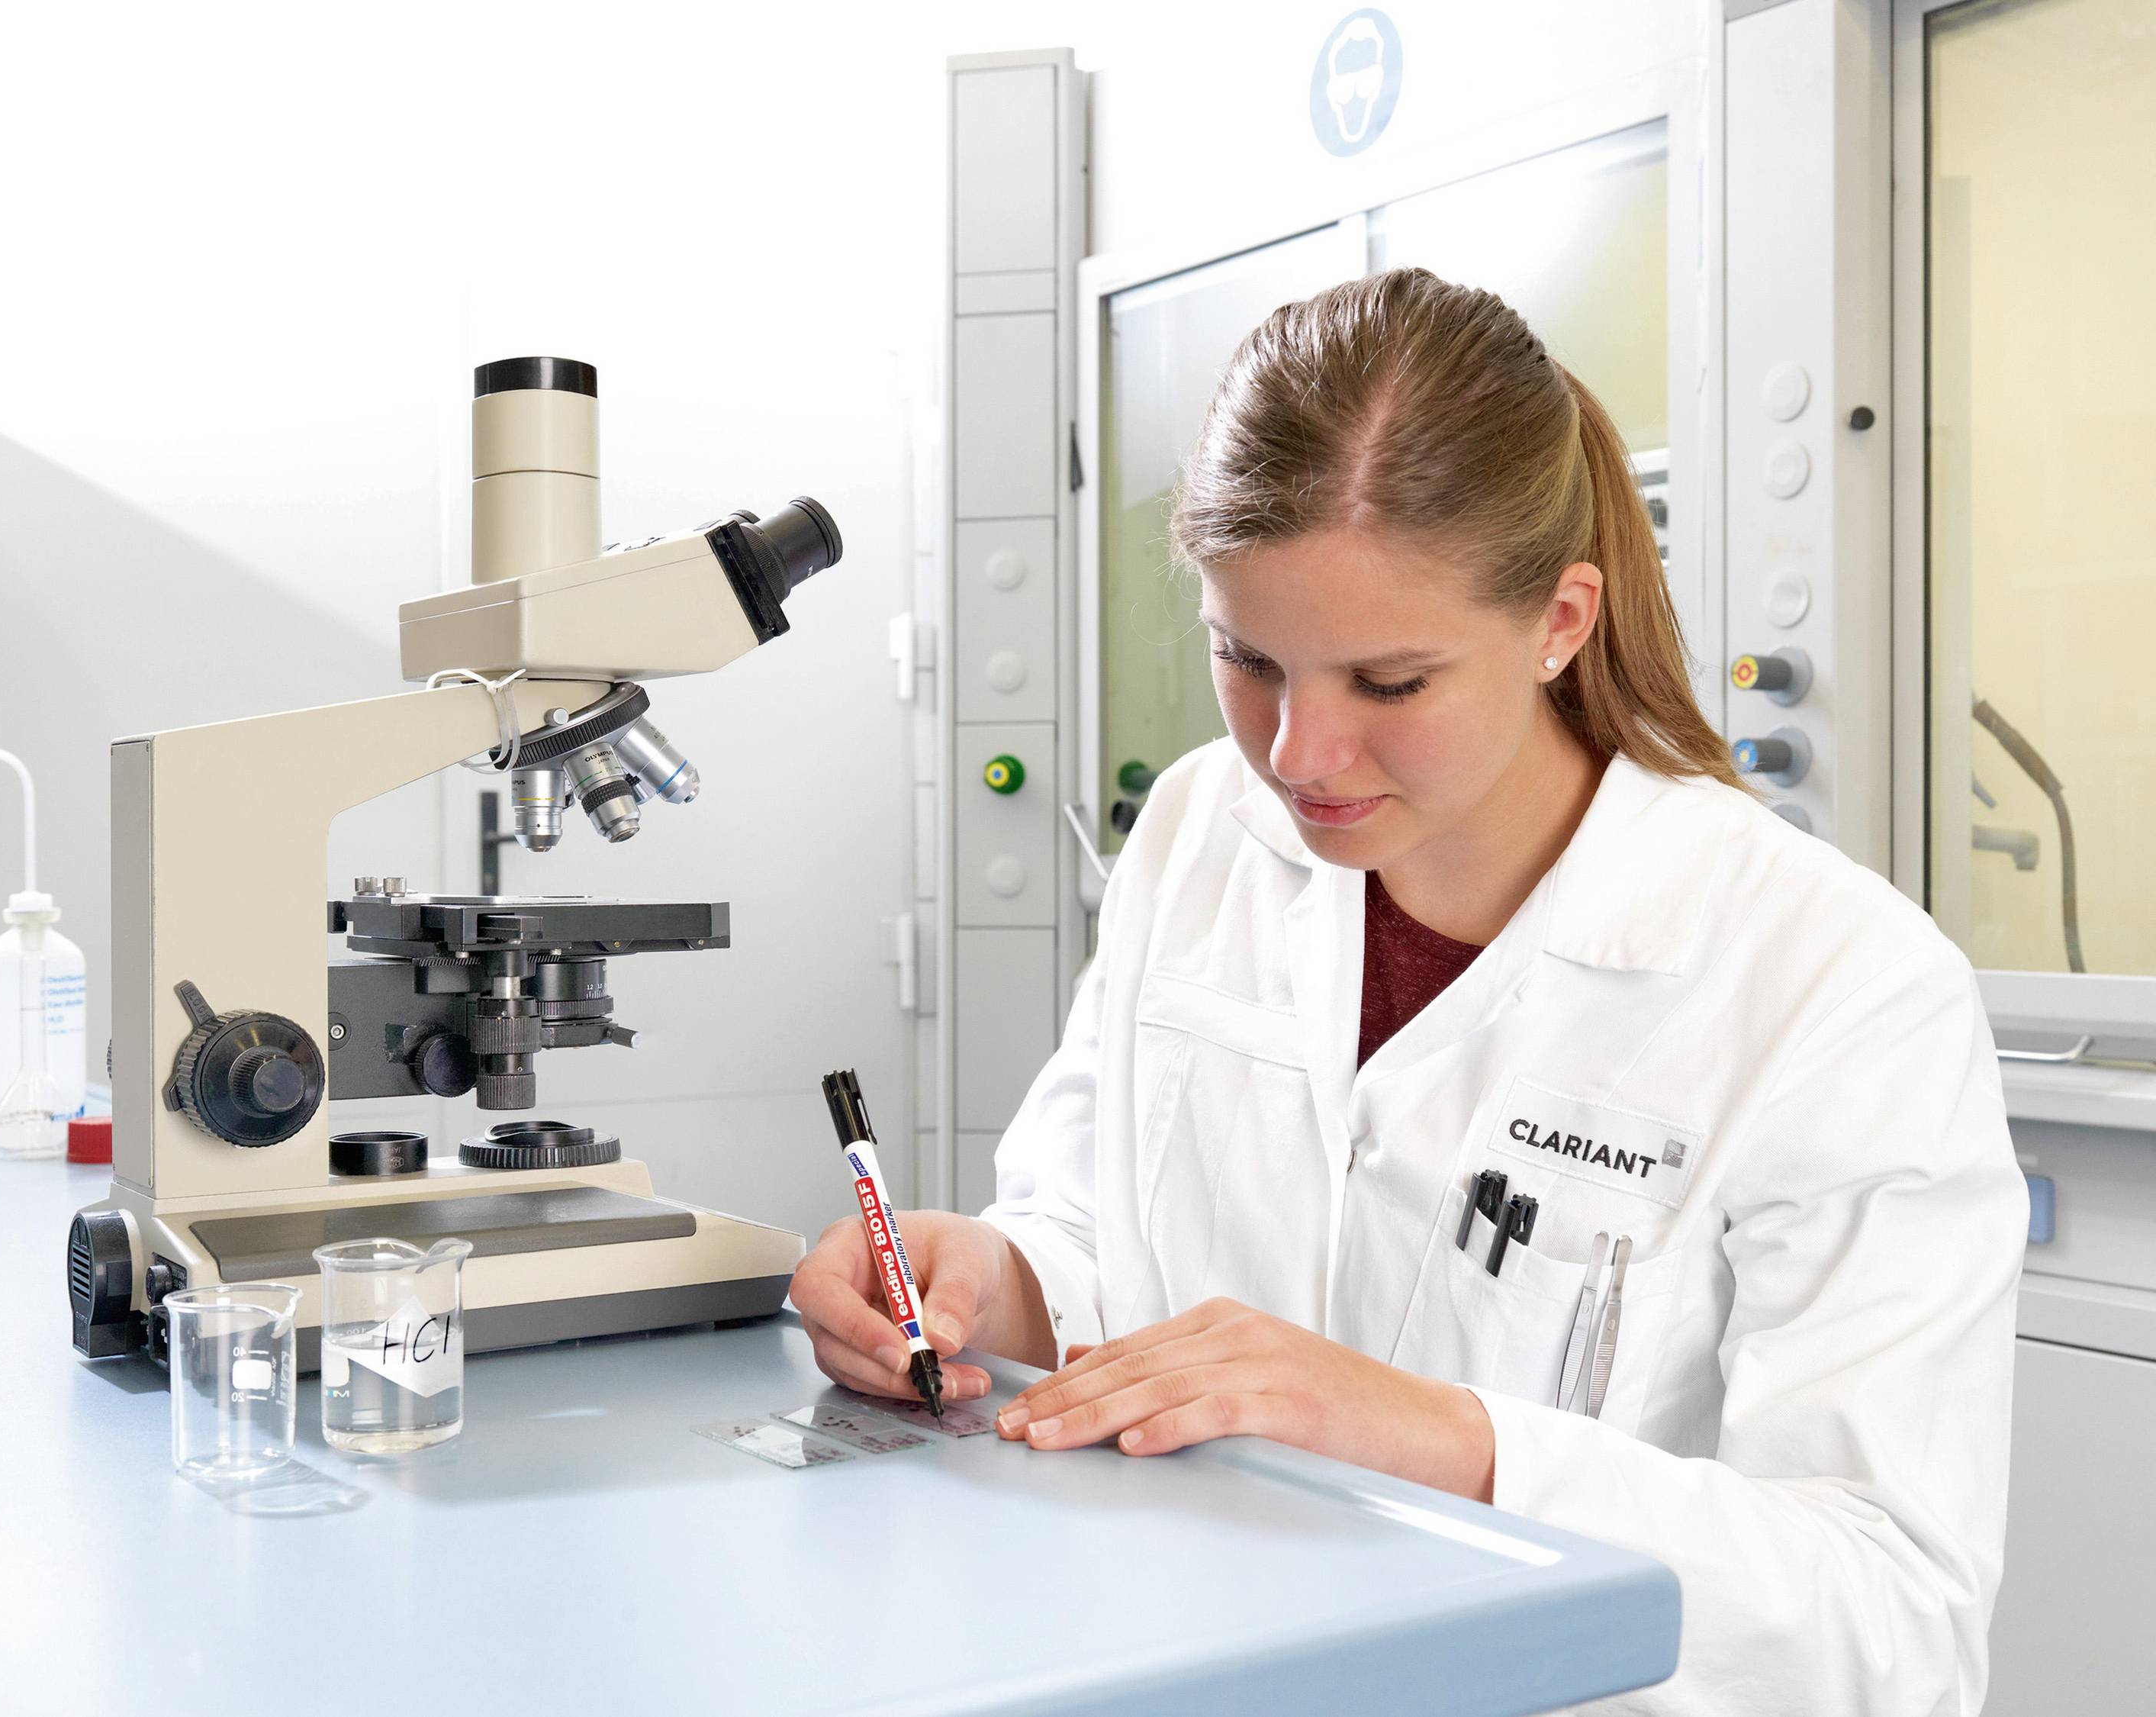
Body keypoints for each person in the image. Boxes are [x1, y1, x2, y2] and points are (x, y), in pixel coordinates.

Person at [790, 269, 2023, 1714]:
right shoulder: (1199, 830)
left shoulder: (1834, 986)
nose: (1300, 753)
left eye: (1389, 681)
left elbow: (1893, 1622)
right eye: (1246, 658)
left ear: (1562, 620)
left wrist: (1440, 1440)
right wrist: (986, 1285)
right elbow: (1085, 1231)